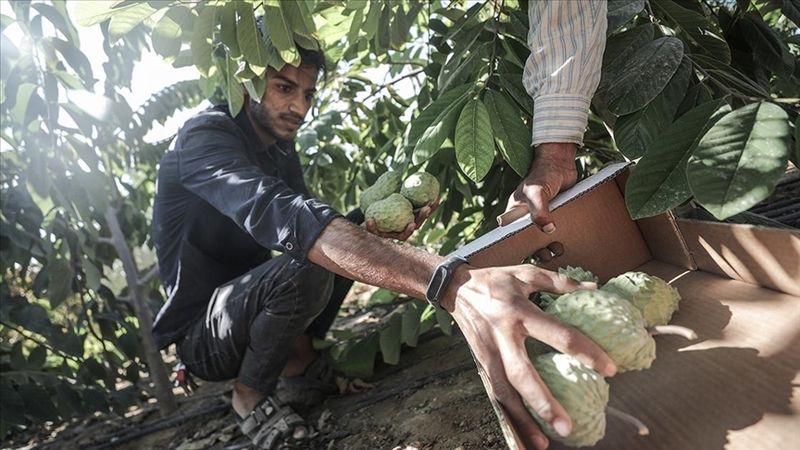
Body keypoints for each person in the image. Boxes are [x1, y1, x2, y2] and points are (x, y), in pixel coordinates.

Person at [151, 2, 612, 449]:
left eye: (308, 93)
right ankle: (248, 396)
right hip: (204, 336)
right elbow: (286, 218)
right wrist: (449, 281)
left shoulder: (277, 146)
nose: (299, 106)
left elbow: (312, 226)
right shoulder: (203, 140)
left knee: (333, 246)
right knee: (309, 255)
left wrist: (368, 229)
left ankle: (300, 365)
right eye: (284, 87)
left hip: (251, 310)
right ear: (246, 81)